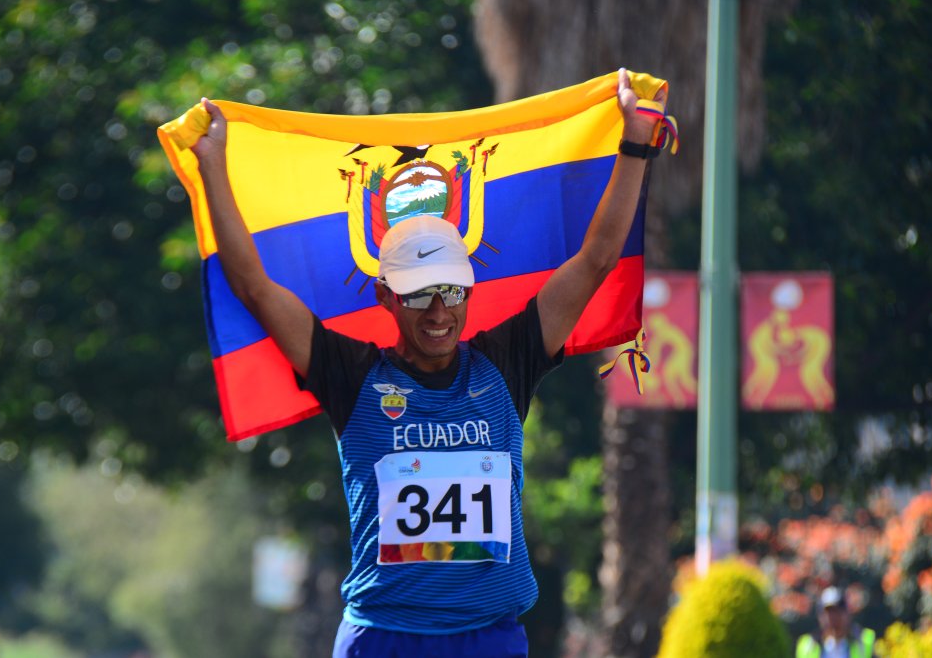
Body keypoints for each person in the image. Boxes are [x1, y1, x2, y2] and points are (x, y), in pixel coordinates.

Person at [191, 68, 666, 658]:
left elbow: (596, 258)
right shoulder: (352, 375)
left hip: (489, 638)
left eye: (451, 289)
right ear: (386, 298)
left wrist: (636, 143)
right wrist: (213, 161)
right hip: (384, 637)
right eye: (417, 293)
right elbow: (256, 288)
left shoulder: (506, 361)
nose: (438, 310)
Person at [796, 586, 876, 658]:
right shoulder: (807, 644)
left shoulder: (865, 640)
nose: (832, 617)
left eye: (837, 612)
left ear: (847, 613)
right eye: (828, 613)